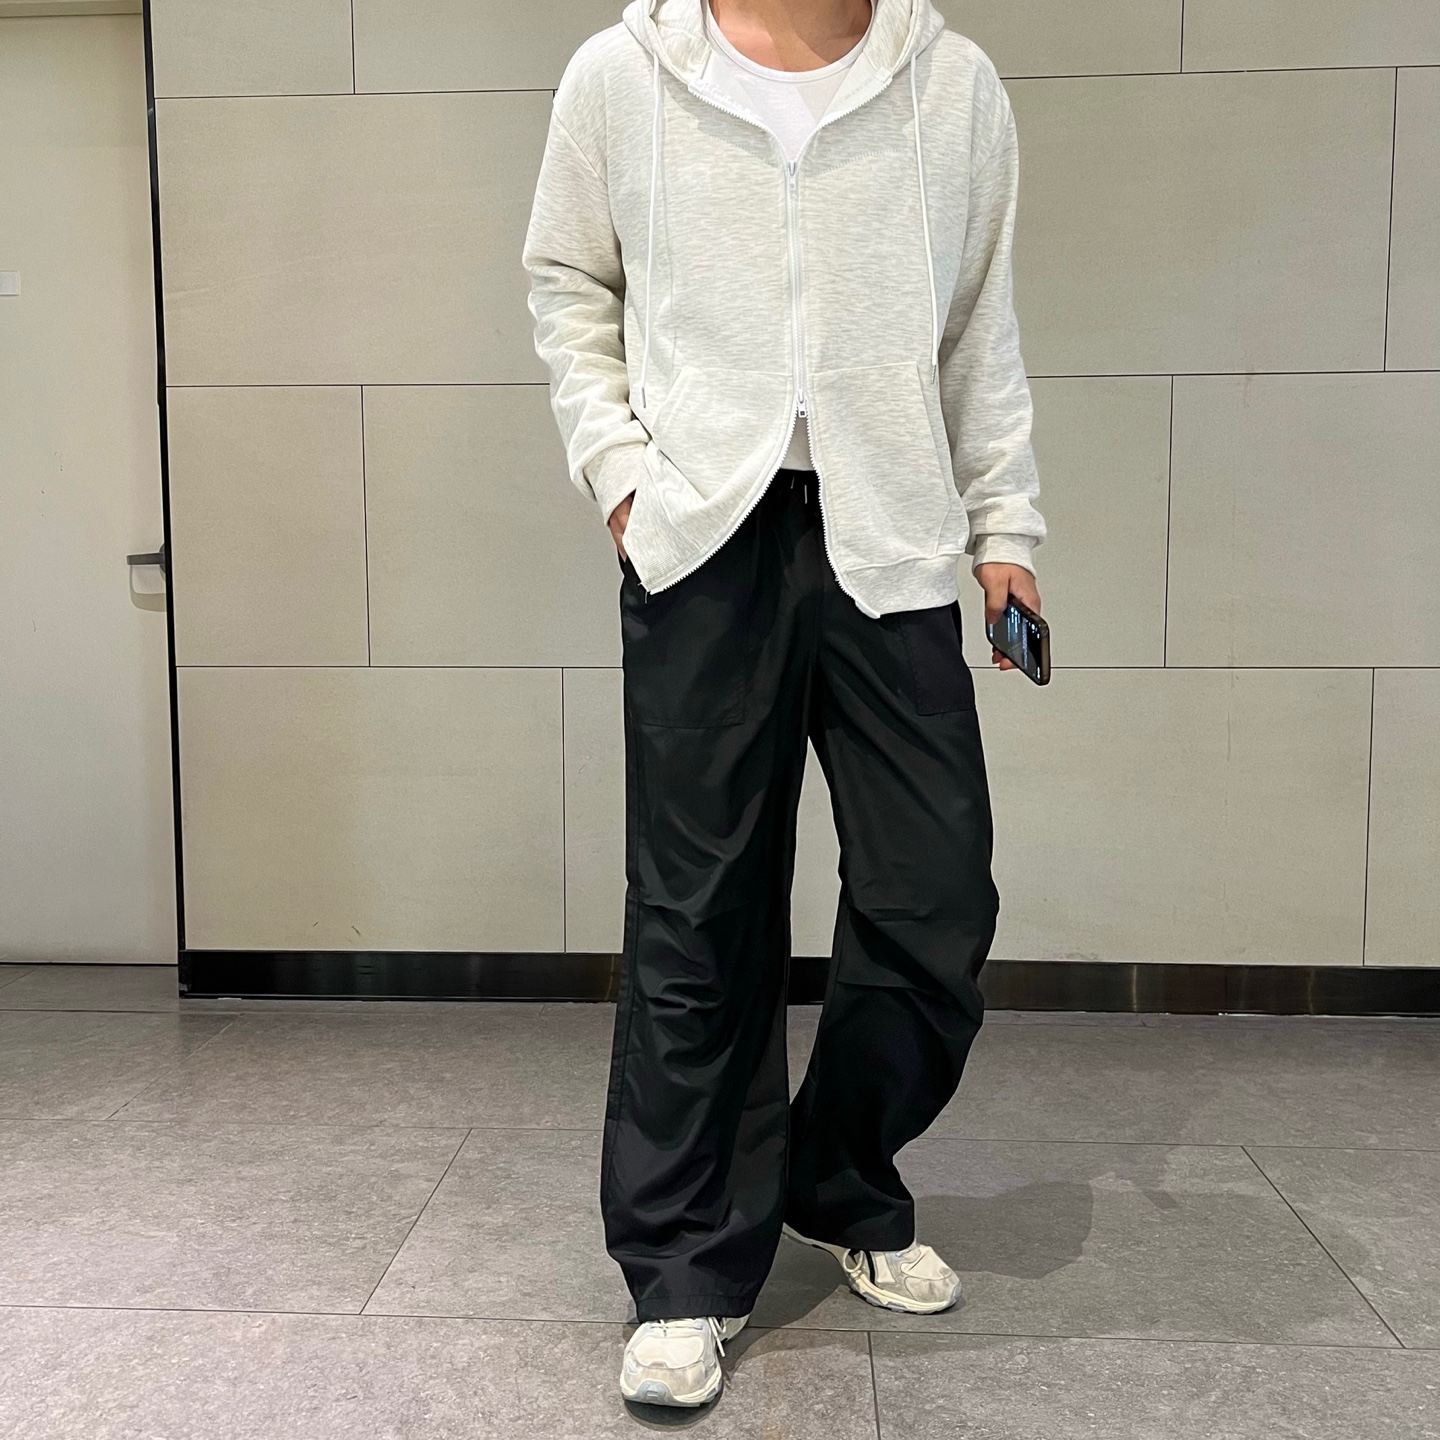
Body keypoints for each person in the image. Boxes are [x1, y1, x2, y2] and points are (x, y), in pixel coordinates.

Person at [523, 0, 1045, 1409]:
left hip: (893, 532)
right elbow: (569, 281)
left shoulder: (952, 85)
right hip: (703, 538)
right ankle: (687, 1267)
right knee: (699, 912)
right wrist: (621, 476)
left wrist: (1005, 527)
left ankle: (837, 1172)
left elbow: (979, 325)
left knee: (936, 897)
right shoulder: (625, 75)